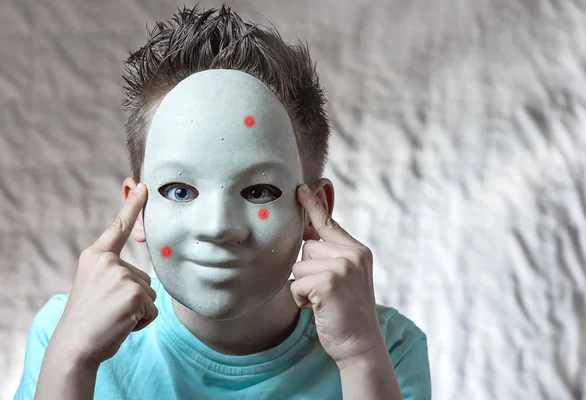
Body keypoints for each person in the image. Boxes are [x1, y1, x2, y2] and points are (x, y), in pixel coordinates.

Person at [14, 4, 431, 399]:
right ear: (136, 209)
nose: (217, 226)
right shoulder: (65, 332)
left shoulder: (386, 346)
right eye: (179, 191)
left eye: (259, 192)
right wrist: (71, 361)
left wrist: (359, 354)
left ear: (312, 211)